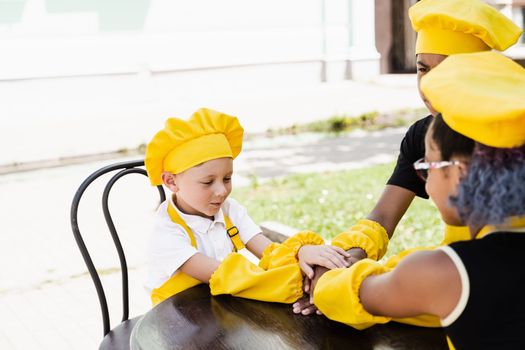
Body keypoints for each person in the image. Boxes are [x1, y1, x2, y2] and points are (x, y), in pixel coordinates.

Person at [294, 0, 523, 315]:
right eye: (422, 69)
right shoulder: (423, 136)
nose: (428, 86)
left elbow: (388, 290)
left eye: (445, 70)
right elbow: (382, 219)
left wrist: (331, 287)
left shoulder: (512, 132)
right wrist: (340, 259)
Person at [313, 51, 525, 349]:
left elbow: (338, 292)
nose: (424, 179)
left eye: (428, 166)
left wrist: (322, 266)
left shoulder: (443, 272)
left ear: (460, 173)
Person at [144, 107, 349, 305]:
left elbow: (268, 251)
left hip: (219, 307)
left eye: (227, 178)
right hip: (178, 323)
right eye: (208, 182)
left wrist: (300, 254)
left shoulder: (229, 210)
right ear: (171, 182)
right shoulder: (167, 233)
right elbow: (226, 276)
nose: (222, 191)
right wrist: (300, 282)